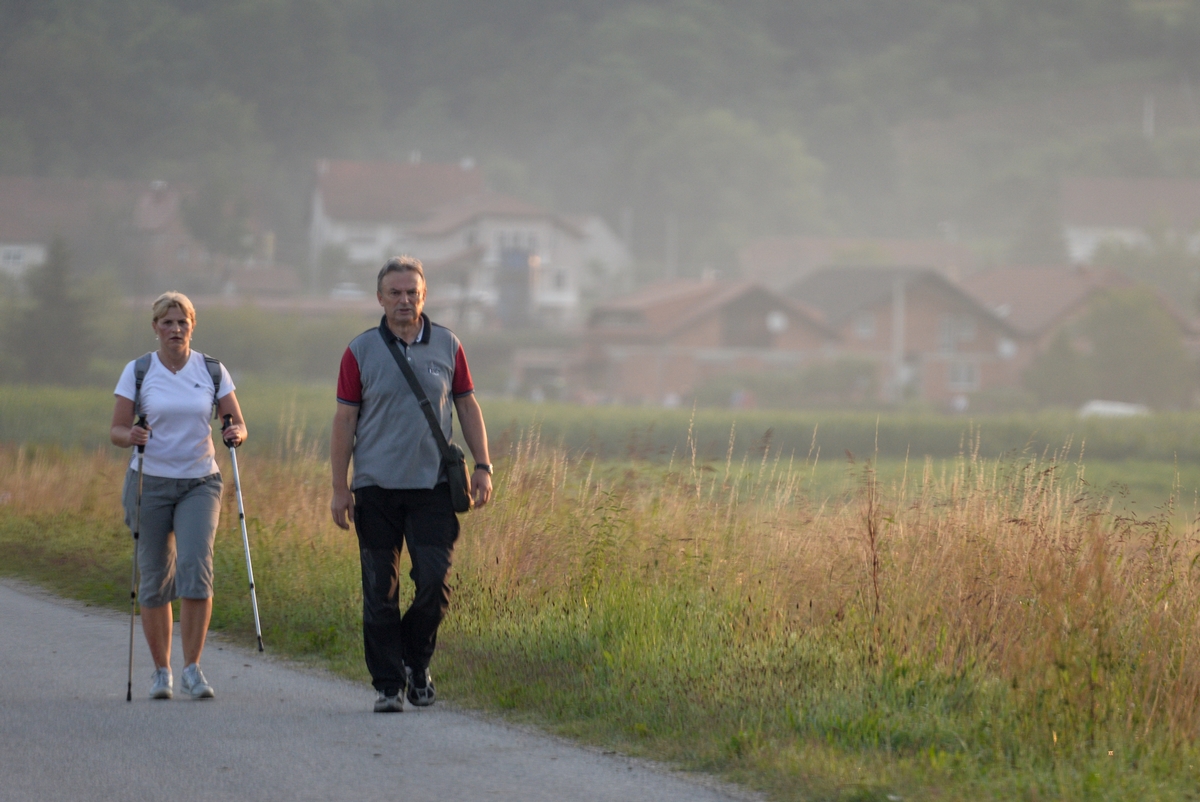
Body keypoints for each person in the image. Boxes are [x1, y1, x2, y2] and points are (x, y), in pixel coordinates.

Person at [330, 256, 493, 713]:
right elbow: (344, 420)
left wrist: (484, 465)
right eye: (395, 293)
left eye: (412, 293)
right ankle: (388, 684)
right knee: (380, 590)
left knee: (434, 583)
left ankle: (415, 663)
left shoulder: (448, 344)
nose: (404, 301)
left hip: (432, 487)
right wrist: (339, 487)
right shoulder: (359, 351)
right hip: (375, 488)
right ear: (380, 298)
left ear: (424, 296)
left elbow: (467, 406)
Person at [110, 291, 246, 700]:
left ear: (192, 326)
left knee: (195, 569)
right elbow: (116, 430)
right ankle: (161, 672)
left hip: (199, 482)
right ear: (155, 328)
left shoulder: (211, 370)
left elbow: (236, 421)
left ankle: (193, 668)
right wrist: (129, 434)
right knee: (153, 579)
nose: (175, 329)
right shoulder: (137, 372)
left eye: (182, 322)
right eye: (167, 323)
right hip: (148, 482)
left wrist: (235, 432)